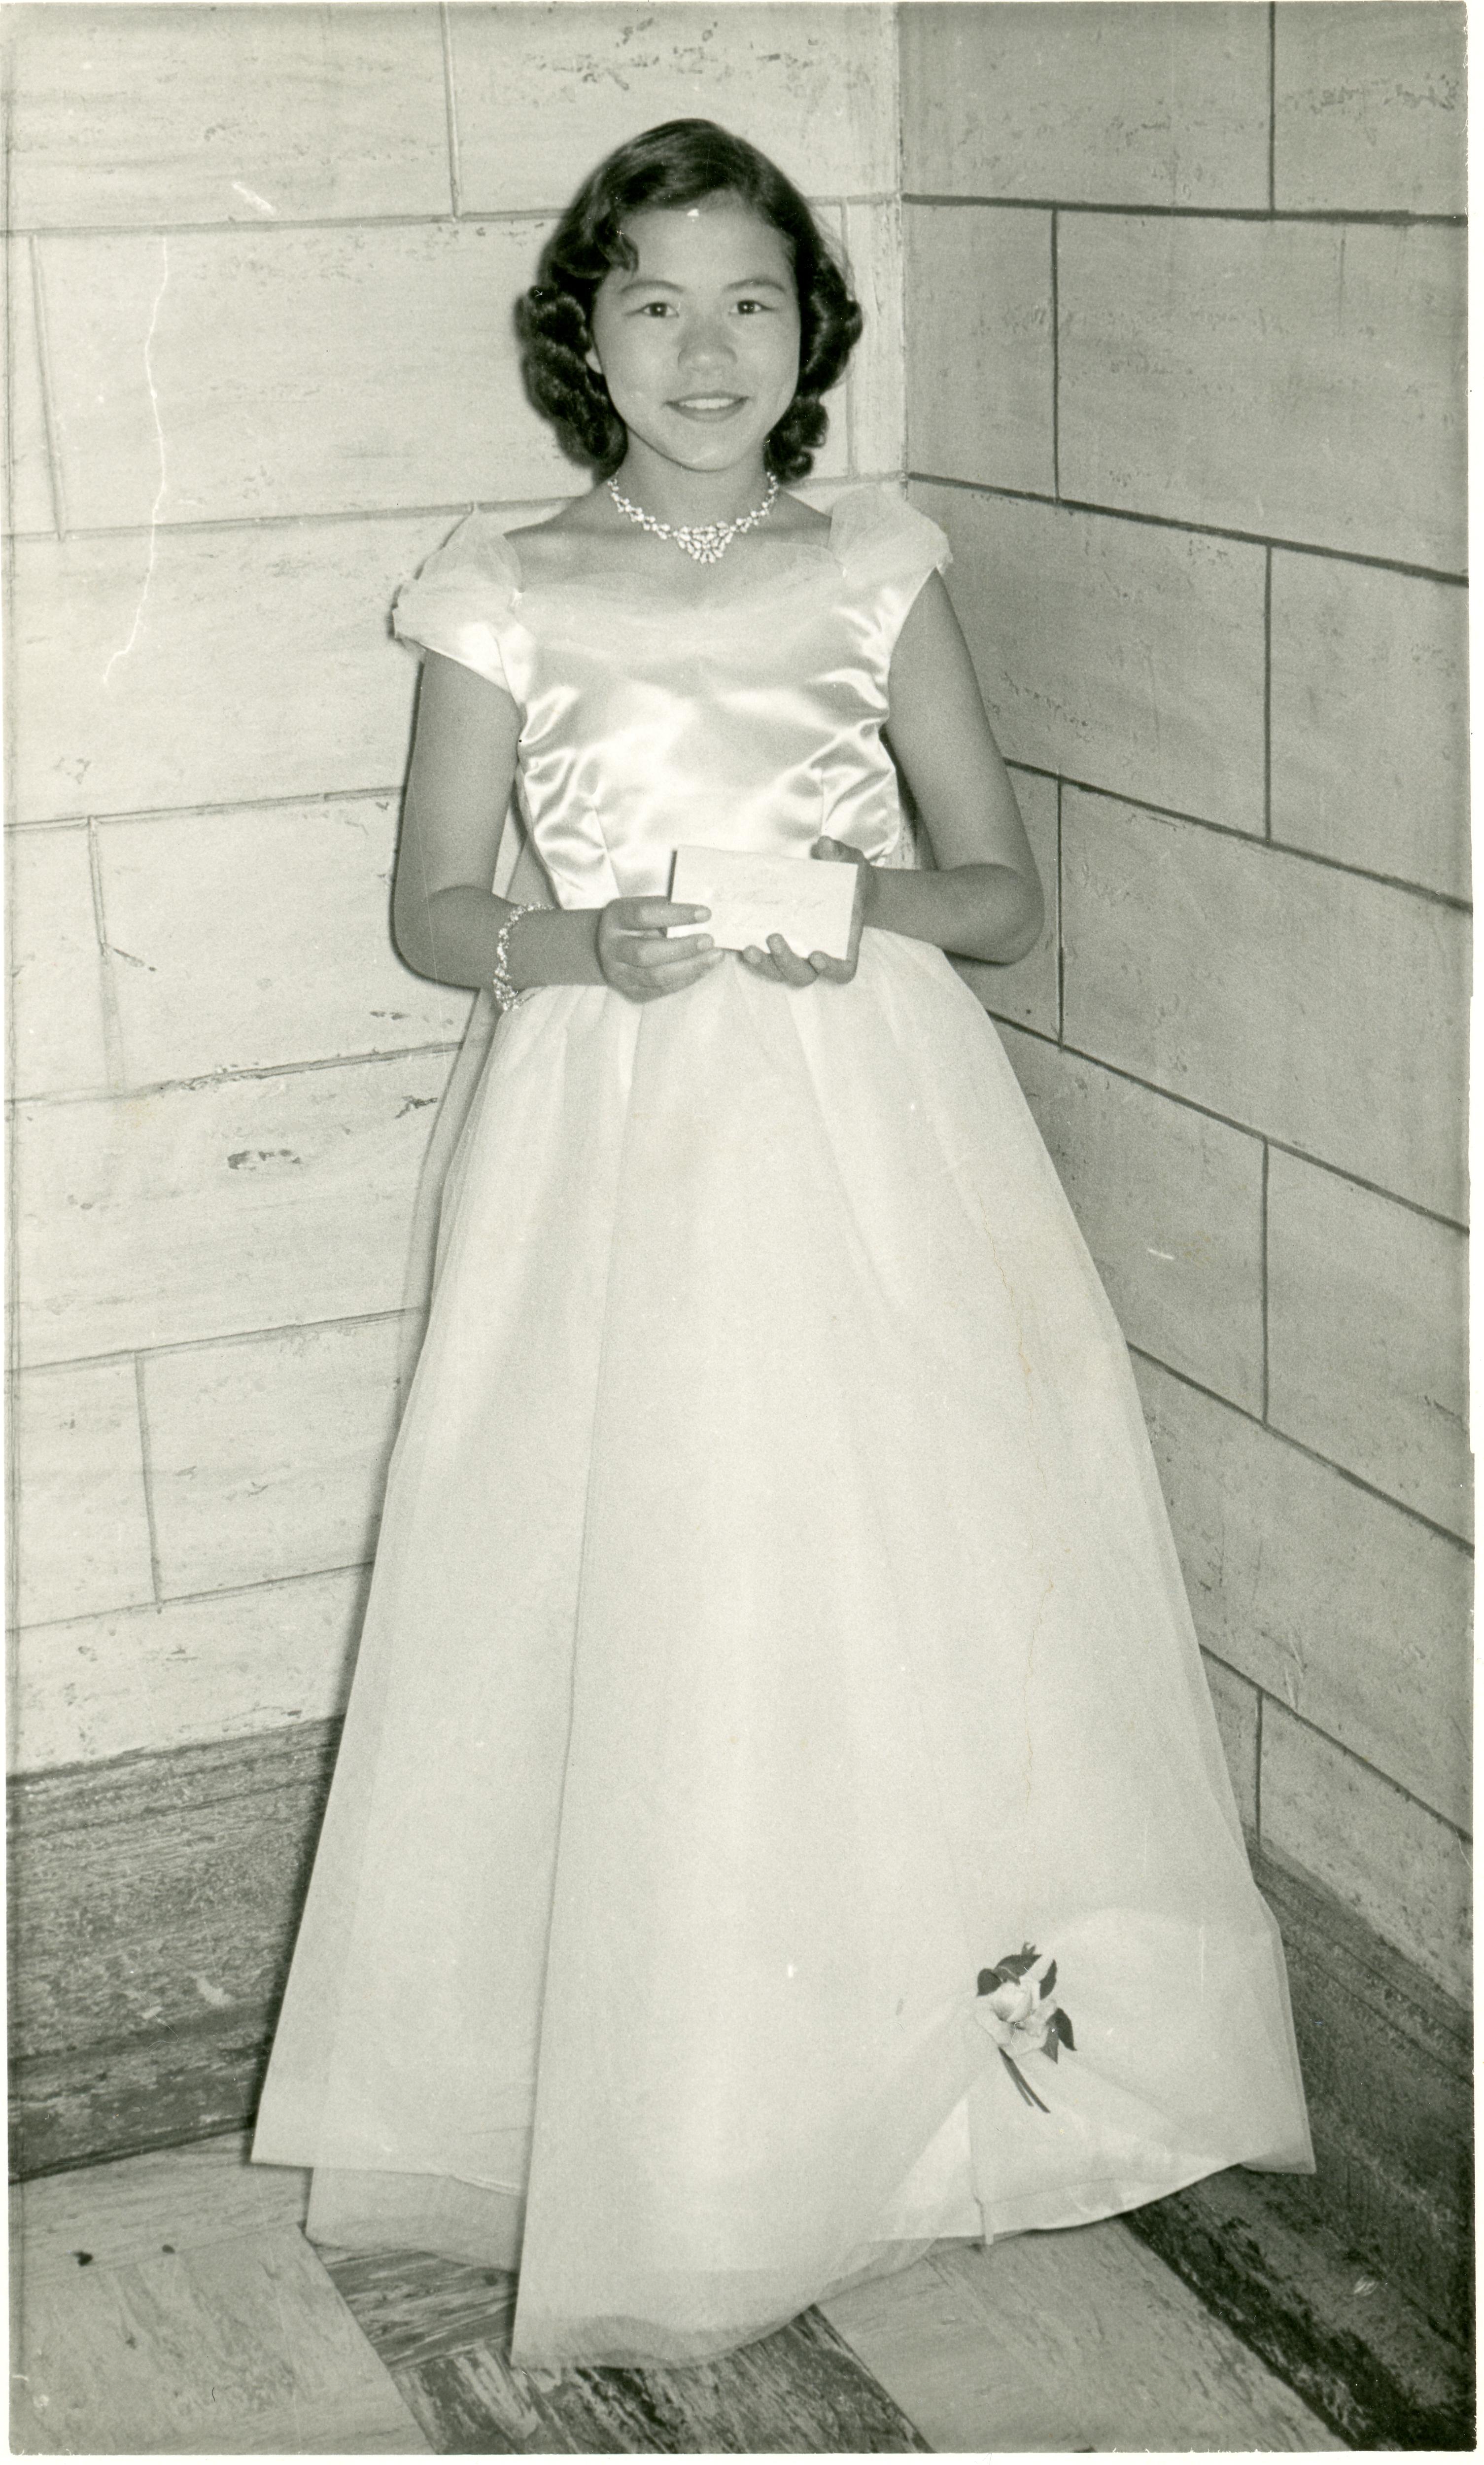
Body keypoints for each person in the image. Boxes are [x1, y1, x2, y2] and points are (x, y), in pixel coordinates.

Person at [251, 117, 1312, 2368]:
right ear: (586, 332)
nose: (704, 345)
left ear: (813, 331)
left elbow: (1006, 892)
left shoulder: (876, 565)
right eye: (655, 299)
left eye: (751, 300)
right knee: (638, 1557)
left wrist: (858, 903)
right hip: (609, 1131)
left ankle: (928, 2089)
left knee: (879, 1546)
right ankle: (662, 2098)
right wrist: (565, 946)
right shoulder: (507, 580)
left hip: (868, 1115)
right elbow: (435, 907)